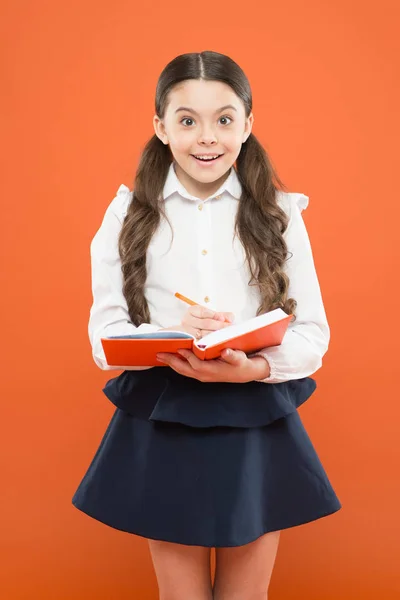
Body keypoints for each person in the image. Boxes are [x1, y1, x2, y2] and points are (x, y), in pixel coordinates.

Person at [72, 50, 342, 600]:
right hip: (165, 417)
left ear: (247, 124)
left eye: (223, 118)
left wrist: (253, 367)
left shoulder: (279, 214)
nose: (206, 137)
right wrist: (175, 329)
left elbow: (313, 336)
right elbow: (106, 339)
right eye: (187, 120)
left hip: (254, 416)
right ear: (160, 127)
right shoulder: (127, 216)